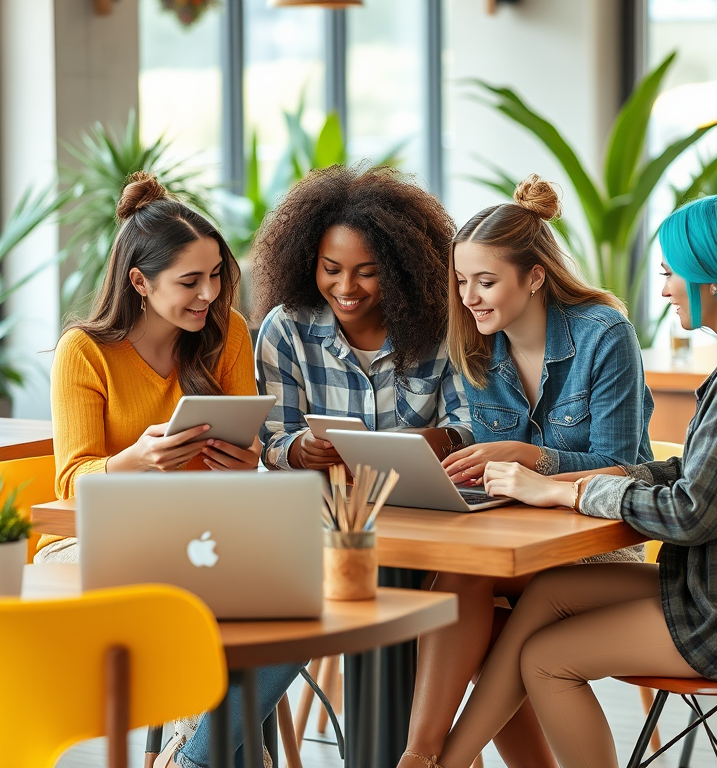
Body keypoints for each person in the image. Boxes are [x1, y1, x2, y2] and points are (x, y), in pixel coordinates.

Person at [428, 194, 717, 768]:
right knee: (549, 596)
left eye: (672, 273)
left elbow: (692, 512)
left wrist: (567, 488)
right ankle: (437, 762)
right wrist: (580, 477)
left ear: (713, 278)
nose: (667, 289)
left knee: (546, 660)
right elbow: (696, 471)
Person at [43, 172, 296, 768]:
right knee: (212, 602)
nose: (208, 294)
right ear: (140, 281)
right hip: (90, 543)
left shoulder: (227, 334)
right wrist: (137, 461)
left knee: (302, 592)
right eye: (190, 281)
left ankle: (188, 760)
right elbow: (70, 486)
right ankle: (206, 757)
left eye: (215, 277)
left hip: (200, 535)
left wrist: (245, 462)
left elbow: (242, 465)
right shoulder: (83, 351)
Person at [399, 176, 653, 768]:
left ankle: (430, 759)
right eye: (461, 282)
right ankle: (422, 755)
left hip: (596, 543)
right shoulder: (475, 348)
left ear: (534, 276)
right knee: (462, 587)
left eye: (485, 282)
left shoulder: (602, 334)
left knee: (481, 618)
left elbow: (626, 467)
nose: (470, 297)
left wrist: (531, 458)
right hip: (517, 542)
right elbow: (495, 476)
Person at [253, 164, 473, 471]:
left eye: (368, 273)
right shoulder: (286, 329)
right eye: (331, 269)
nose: (345, 287)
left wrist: (436, 439)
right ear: (308, 262)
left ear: (400, 271)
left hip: (419, 499)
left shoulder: (442, 327)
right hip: (325, 503)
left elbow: (469, 427)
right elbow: (274, 439)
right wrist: (299, 450)